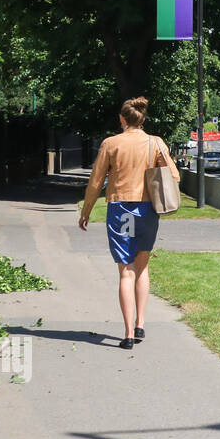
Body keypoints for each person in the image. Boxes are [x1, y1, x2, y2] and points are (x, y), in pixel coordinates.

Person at [77, 96, 180, 349]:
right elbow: (174, 175)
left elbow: (95, 181)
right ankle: (141, 324)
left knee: (126, 271)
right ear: (142, 118)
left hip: (121, 208)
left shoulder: (110, 144)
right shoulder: (155, 143)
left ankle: (127, 334)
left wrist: (86, 210)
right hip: (147, 209)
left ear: (122, 119)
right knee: (142, 267)